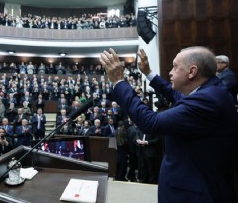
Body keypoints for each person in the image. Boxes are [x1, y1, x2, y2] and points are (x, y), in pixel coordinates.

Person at [100, 47, 238, 203]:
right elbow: (173, 93)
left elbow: (150, 122)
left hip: (197, 194)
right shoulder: (208, 91)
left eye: (175, 66)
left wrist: (119, 82)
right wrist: (148, 72)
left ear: (192, 72)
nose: (170, 72)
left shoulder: (207, 100)